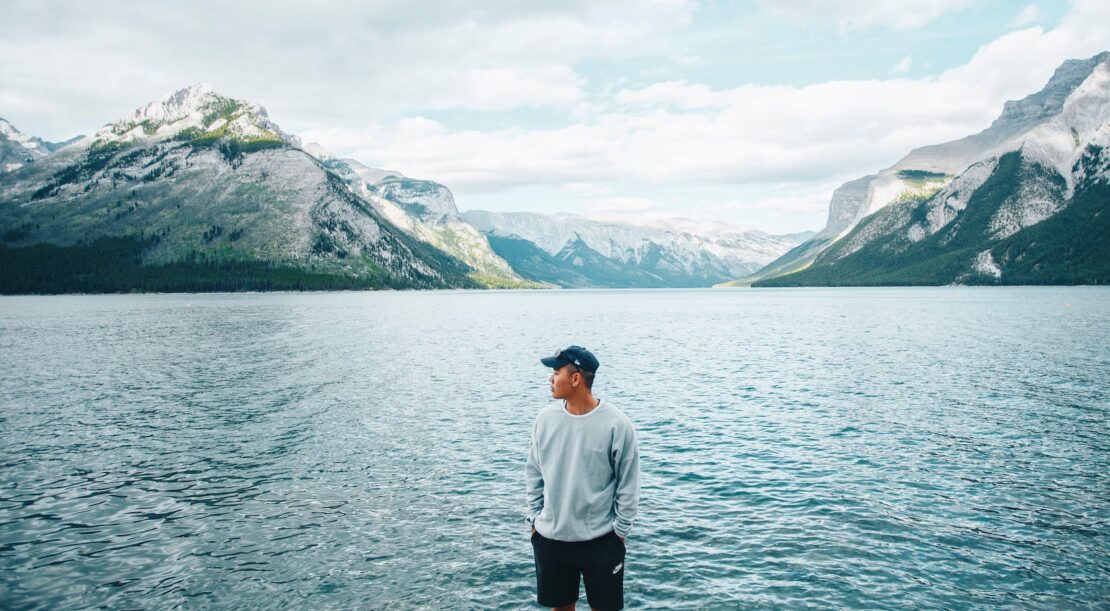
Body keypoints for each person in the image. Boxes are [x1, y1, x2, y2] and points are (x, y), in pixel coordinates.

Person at [526, 345, 641, 611]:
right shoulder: (545, 419)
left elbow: (628, 484)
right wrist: (534, 521)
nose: (550, 379)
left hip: (601, 541)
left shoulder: (616, 424)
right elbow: (533, 472)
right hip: (552, 540)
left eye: (556, 372)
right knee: (561, 608)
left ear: (576, 378)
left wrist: (619, 533)